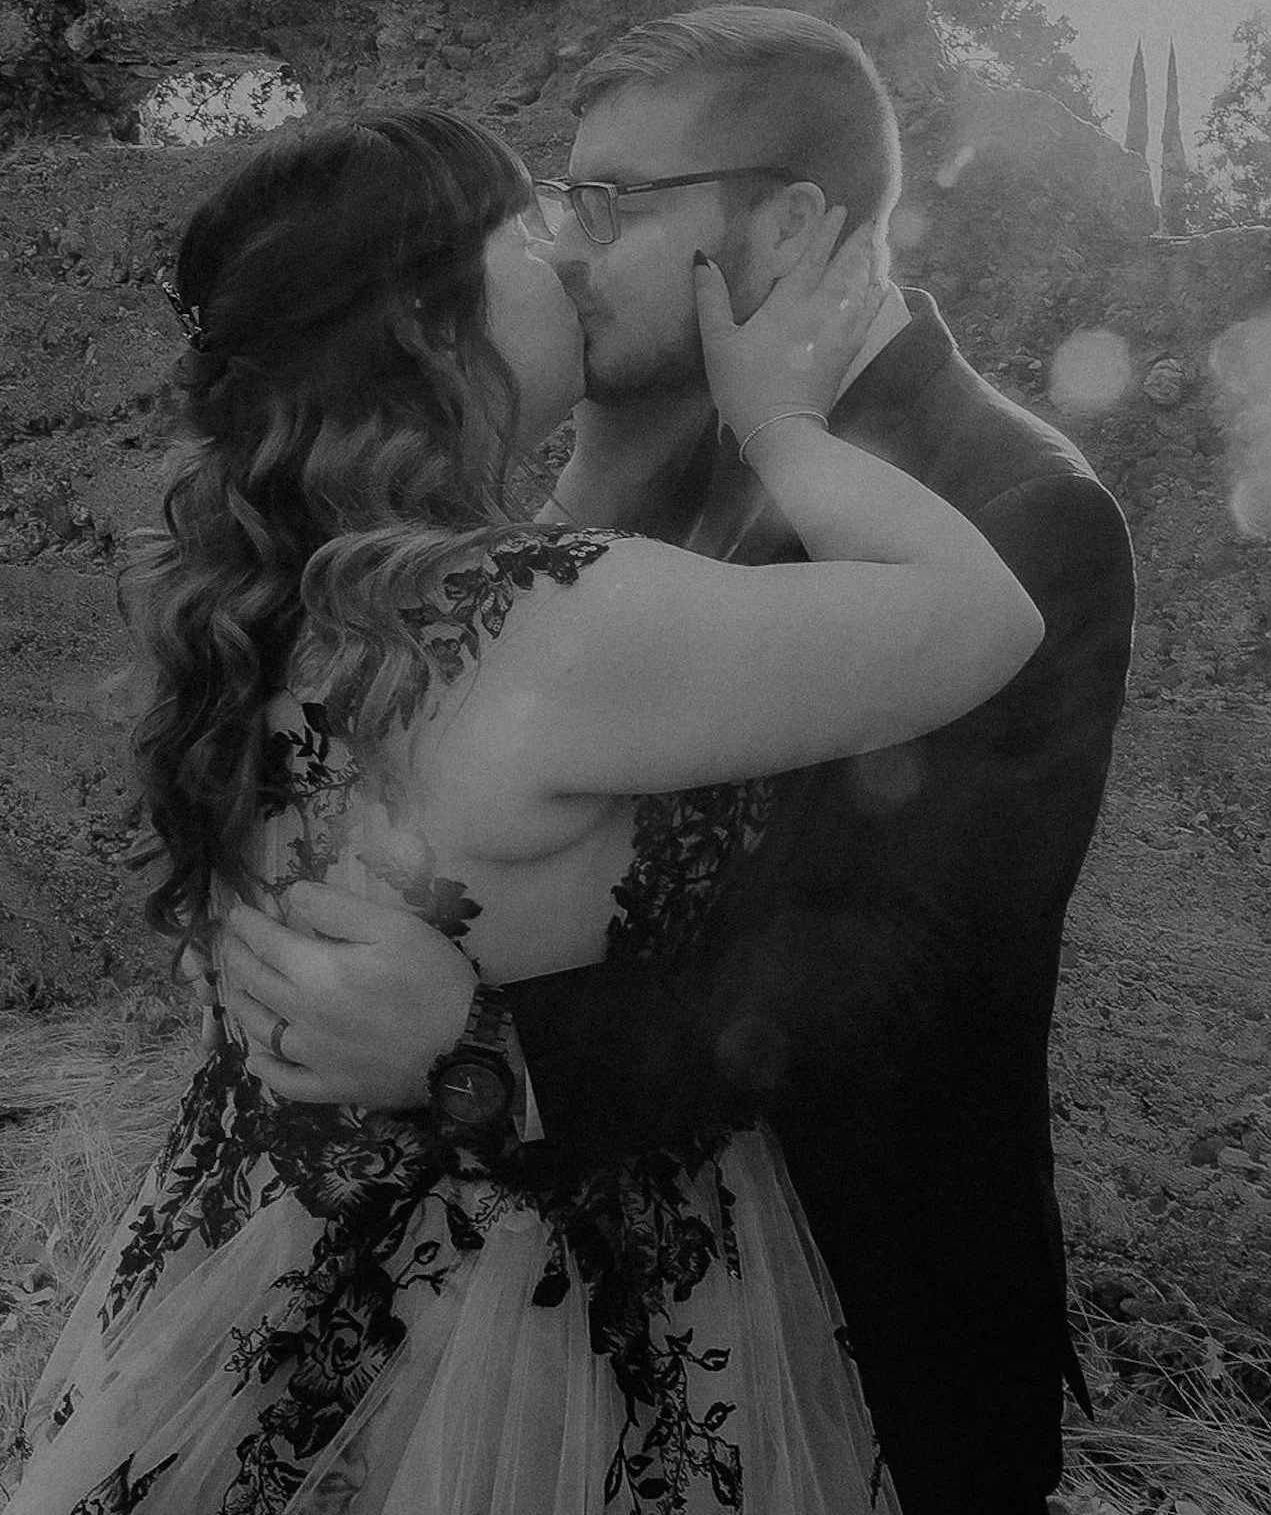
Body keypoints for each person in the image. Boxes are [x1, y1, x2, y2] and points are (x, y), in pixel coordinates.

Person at [9, 105, 1045, 1515]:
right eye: (522, 227)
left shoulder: (274, 593)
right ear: (433, 324)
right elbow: (978, 618)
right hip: (528, 1312)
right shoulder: (550, 621)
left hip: (263, 1262)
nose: (563, 250)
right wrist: (784, 426)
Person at [223, 8, 1138, 1511]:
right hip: (556, 1313)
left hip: (855, 1330)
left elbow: (903, 969)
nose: (568, 248)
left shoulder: (1020, 509)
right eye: (563, 198)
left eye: (612, 203)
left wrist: (477, 1059)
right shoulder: (634, 442)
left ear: (784, 223)